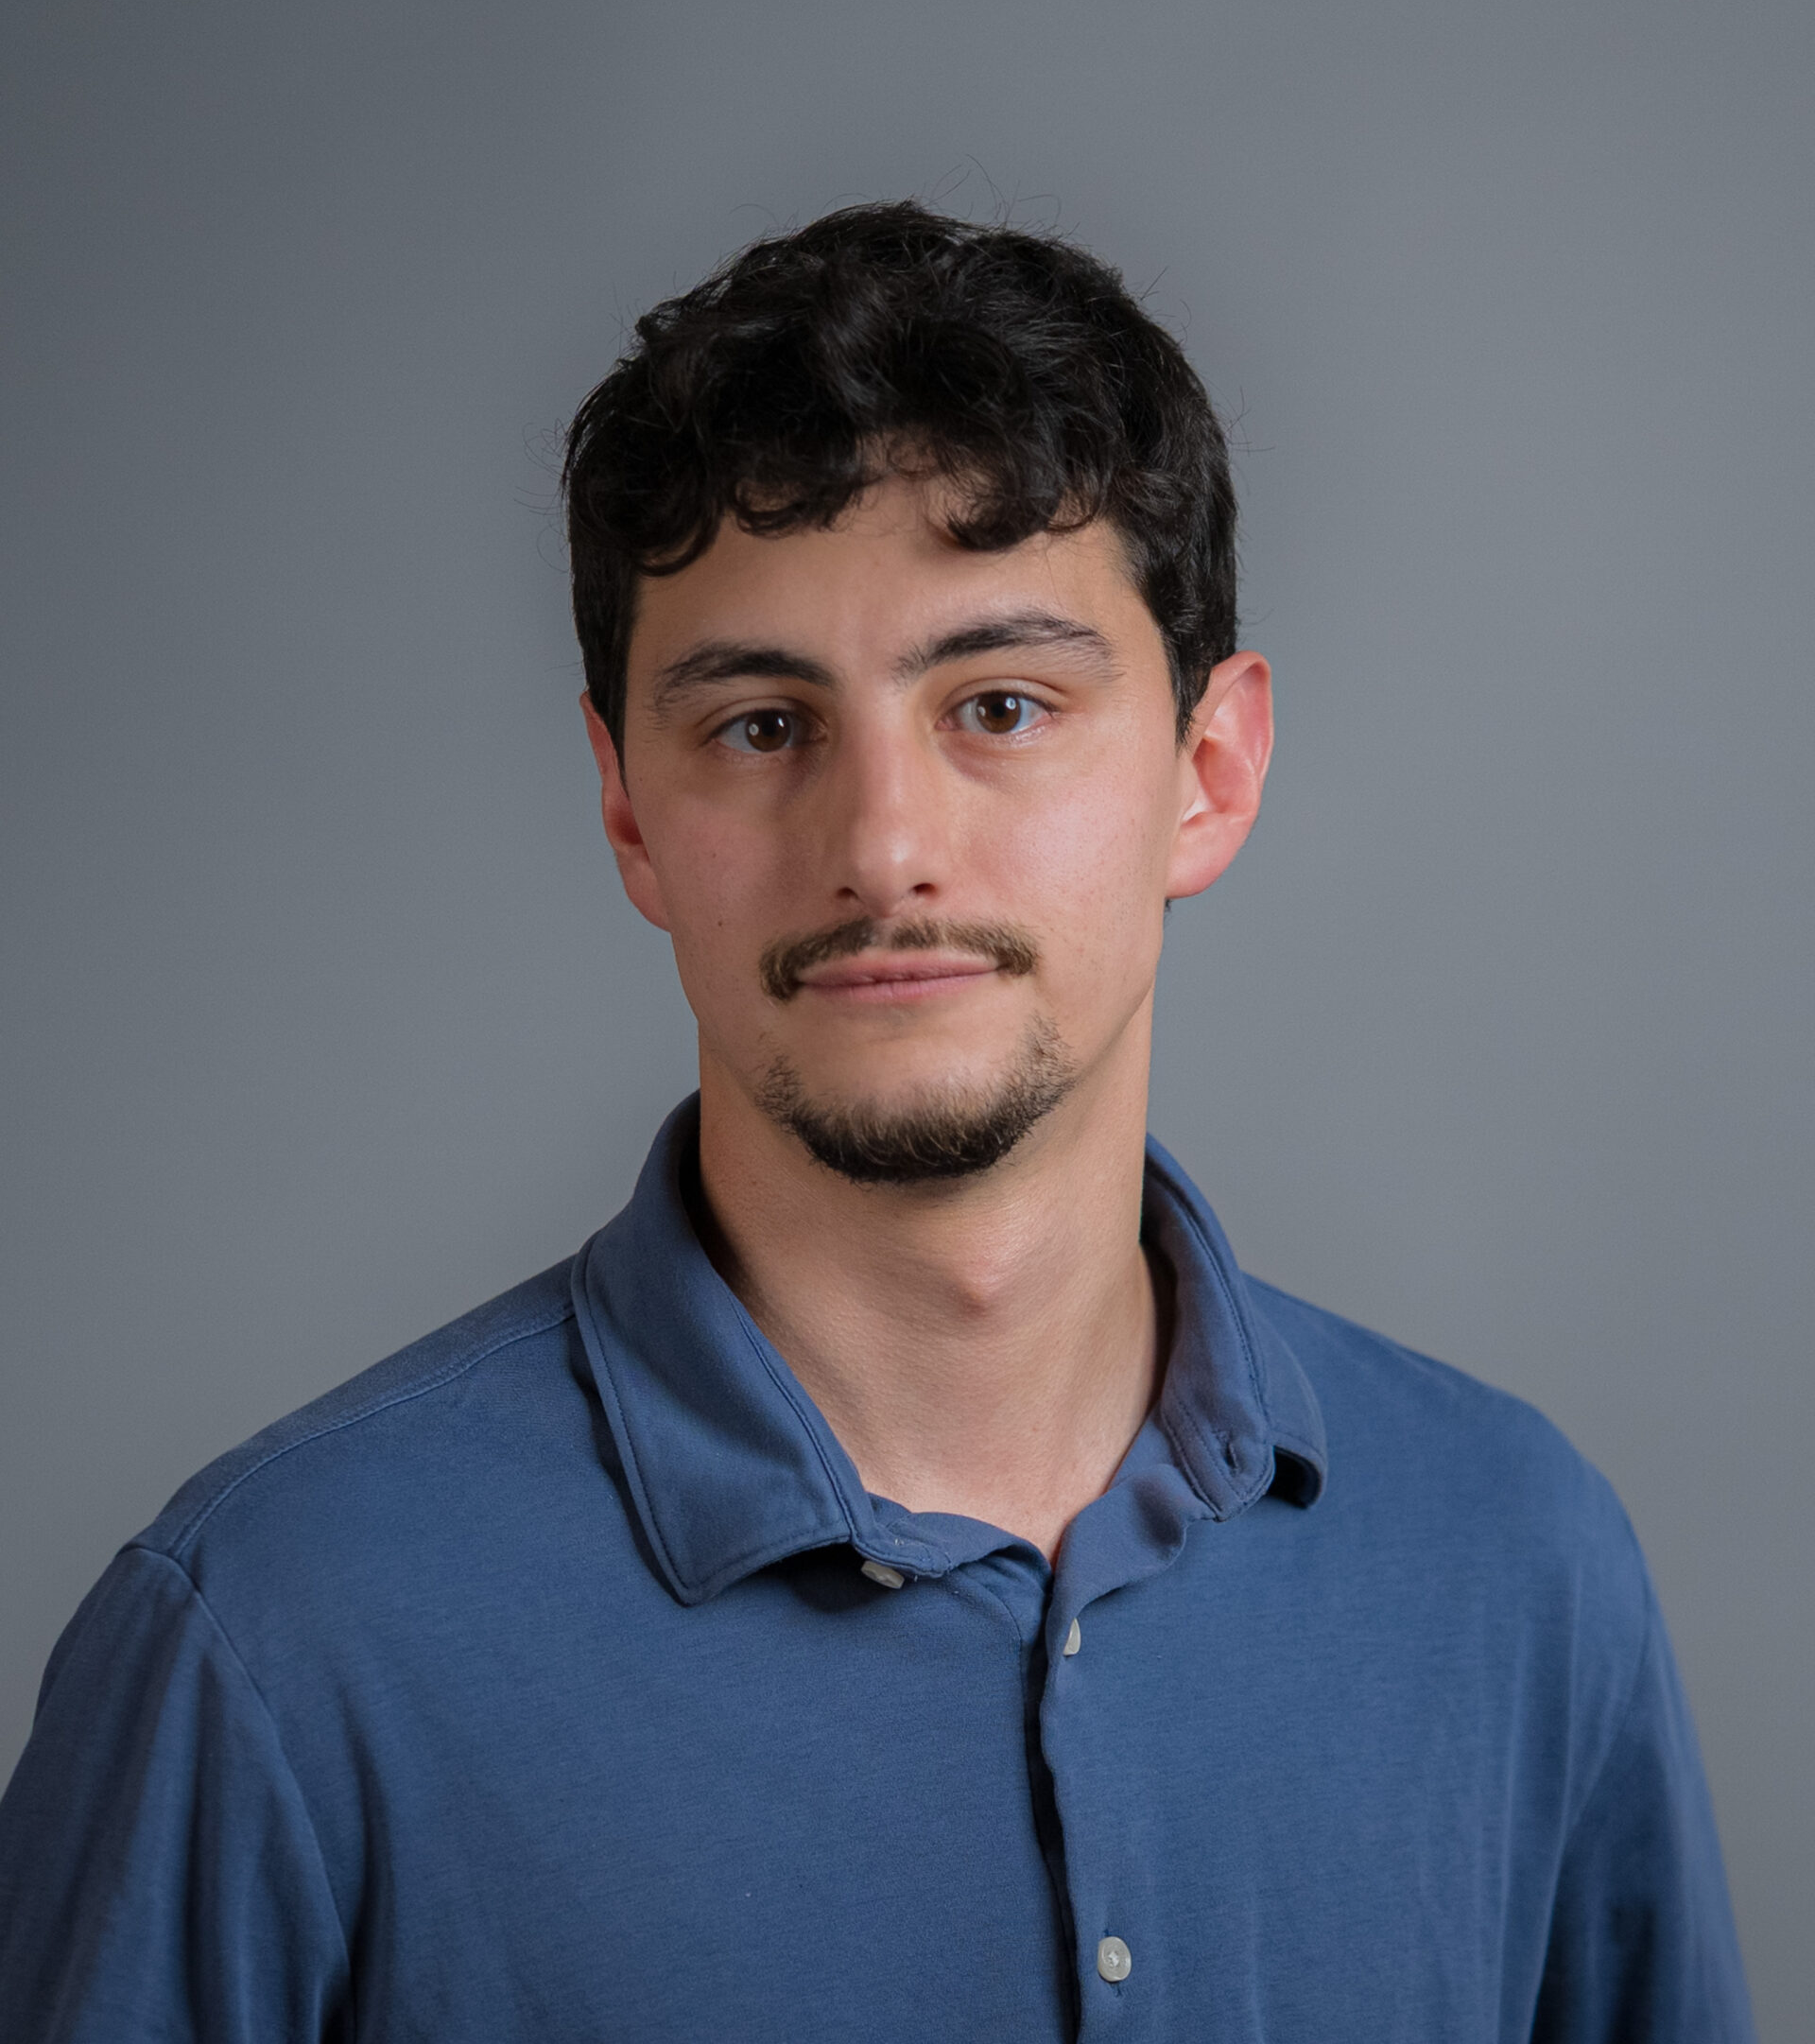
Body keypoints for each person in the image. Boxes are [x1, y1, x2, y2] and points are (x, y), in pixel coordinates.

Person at [0, 203, 1753, 2041]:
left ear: (1209, 771)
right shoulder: (276, 1643)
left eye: (1000, 705)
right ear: (628, 812)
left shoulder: (1517, 1560)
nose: (884, 846)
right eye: (763, 726)